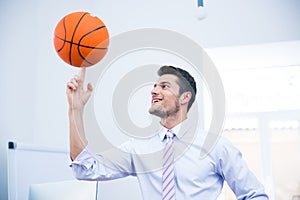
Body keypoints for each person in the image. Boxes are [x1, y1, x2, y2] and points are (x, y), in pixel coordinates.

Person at [66, 65, 269, 199]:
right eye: (154, 86)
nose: (154, 91)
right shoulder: (139, 148)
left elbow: (255, 195)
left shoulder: (216, 146)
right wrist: (75, 110)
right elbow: (84, 168)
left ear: (184, 97)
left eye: (164, 86)